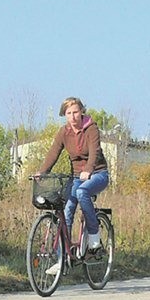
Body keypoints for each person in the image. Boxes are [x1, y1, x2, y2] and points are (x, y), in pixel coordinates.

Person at [36, 97, 109, 275]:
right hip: (76, 176)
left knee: (83, 191)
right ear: (64, 115)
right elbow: (54, 152)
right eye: (68, 113)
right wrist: (42, 172)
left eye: (75, 112)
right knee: (66, 210)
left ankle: (94, 238)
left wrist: (89, 170)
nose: (72, 116)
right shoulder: (64, 132)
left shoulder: (91, 128)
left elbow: (95, 151)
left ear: (81, 111)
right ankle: (63, 260)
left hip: (98, 174)